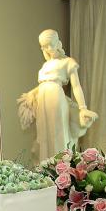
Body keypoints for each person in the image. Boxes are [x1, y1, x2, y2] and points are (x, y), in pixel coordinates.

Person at [18, 29, 98, 161]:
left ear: (58, 43)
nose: (48, 49)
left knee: (58, 133)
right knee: (44, 136)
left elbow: (76, 86)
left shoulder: (67, 62)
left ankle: (61, 166)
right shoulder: (46, 65)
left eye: (50, 44)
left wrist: (83, 108)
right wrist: (32, 94)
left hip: (55, 98)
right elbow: (44, 83)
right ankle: (46, 166)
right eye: (44, 46)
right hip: (43, 101)